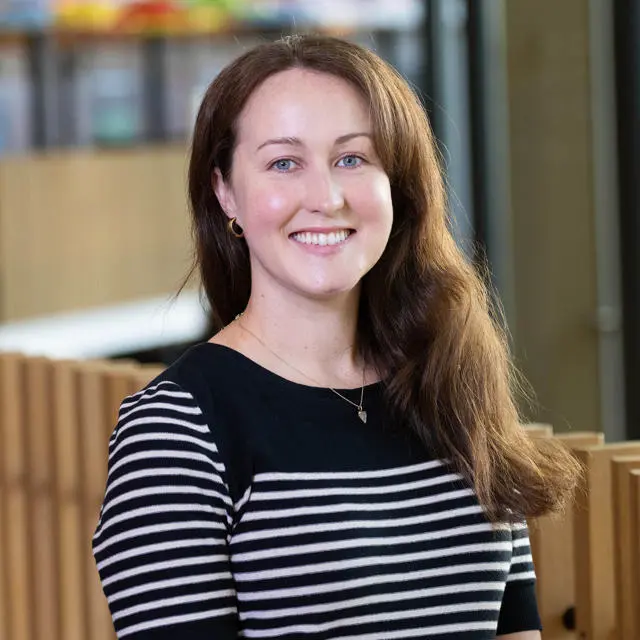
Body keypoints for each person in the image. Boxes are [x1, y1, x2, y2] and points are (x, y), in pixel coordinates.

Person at [92, 34, 580, 639]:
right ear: (225, 192)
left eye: (352, 159)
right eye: (283, 163)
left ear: (397, 187)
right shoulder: (176, 428)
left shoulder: (451, 383)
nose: (325, 197)